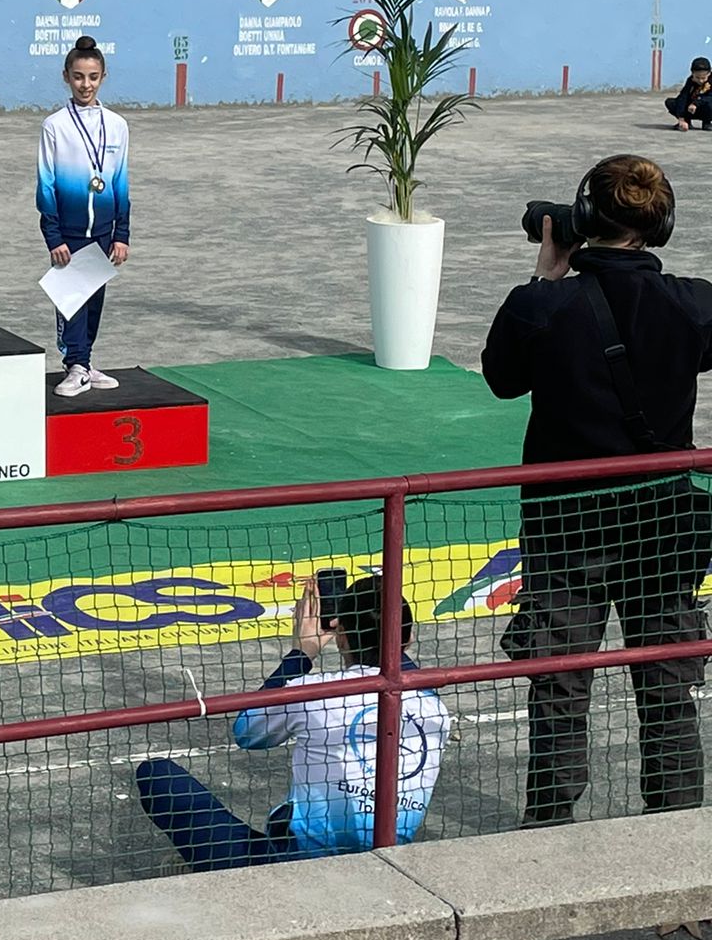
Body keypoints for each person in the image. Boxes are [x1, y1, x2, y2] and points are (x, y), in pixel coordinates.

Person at [482, 154, 712, 825]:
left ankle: (549, 824)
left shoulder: (542, 306)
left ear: (583, 217)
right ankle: (674, 827)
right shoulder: (694, 305)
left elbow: (502, 378)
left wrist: (546, 274)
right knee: (668, 682)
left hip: (566, 526)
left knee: (558, 683)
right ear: (660, 226)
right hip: (664, 521)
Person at [135, 576, 450, 870]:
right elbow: (399, 670)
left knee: (157, 775)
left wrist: (302, 652)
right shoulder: (435, 709)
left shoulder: (315, 692)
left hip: (291, 866)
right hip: (382, 862)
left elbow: (247, 731)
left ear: (340, 635)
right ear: (409, 638)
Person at [37, 34, 131, 397]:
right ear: (66, 77)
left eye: (92, 77)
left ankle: (86, 363)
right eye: (78, 77)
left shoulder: (117, 125)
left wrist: (122, 234)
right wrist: (53, 236)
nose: (85, 84)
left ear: (103, 77)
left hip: (104, 230)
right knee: (71, 301)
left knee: (94, 301)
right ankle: (75, 365)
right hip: (70, 230)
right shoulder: (55, 126)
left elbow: (121, 182)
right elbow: (46, 184)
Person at [665, 58, 712, 131]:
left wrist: (696, 103)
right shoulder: (690, 81)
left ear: (709, 73)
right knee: (671, 102)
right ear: (692, 73)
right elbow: (683, 97)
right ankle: (686, 122)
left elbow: (709, 97)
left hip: (705, 109)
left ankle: (707, 122)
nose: (700, 81)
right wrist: (681, 118)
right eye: (697, 77)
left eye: (703, 78)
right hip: (691, 110)